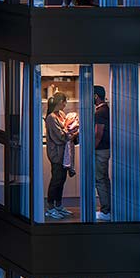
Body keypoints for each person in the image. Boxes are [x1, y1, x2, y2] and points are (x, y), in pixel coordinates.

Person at [43, 92, 77, 220]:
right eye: (64, 101)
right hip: (56, 154)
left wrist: (69, 132)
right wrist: (71, 134)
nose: (65, 104)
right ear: (59, 102)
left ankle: (58, 205)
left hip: (64, 154)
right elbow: (60, 136)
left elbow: (65, 131)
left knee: (62, 180)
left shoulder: (61, 115)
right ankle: (50, 208)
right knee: (56, 180)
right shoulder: (51, 118)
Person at [91, 85, 112, 221]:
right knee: (104, 179)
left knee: (100, 180)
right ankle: (108, 208)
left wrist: (91, 150)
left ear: (96, 96)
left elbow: (98, 134)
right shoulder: (106, 110)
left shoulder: (100, 112)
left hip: (101, 151)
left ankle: (105, 211)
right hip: (105, 149)